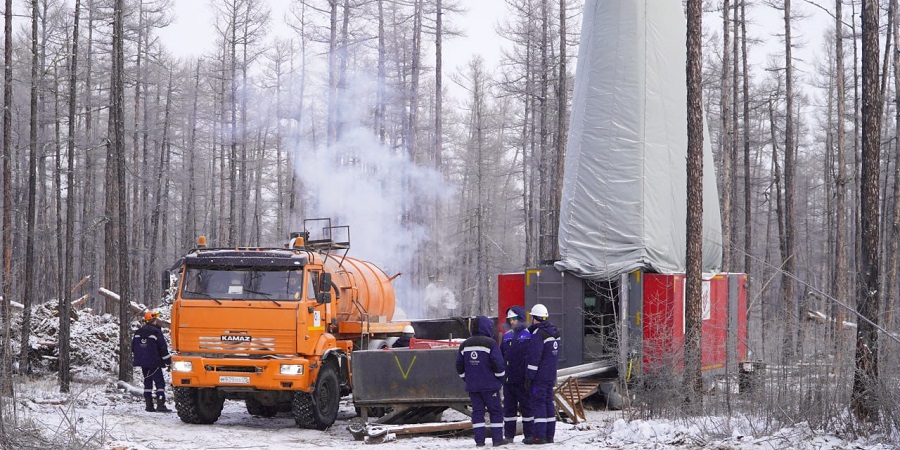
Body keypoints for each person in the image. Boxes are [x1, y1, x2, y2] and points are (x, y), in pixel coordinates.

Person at [456, 316, 507, 447]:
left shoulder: (465, 344)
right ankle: (497, 440)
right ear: (486, 327)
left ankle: (479, 441)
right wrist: (501, 379)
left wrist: (466, 378)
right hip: (490, 386)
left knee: (477, 413)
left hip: (473, 387)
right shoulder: (490, 343)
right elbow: (498, 364)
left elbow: (459, 366)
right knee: (495, 412)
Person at [523, 304, 560, 445]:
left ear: (535, 318)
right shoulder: (555, 332)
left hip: (539, 378)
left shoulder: (538, 334)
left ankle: (539, 436)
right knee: (548, 403)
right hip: (550, 376)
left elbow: (534, 358)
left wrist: (529, 377)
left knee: (538, 405)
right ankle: (549, 435)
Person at [500, 306, 533, 443]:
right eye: (510, 320)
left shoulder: (529, 335)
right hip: (508, 381)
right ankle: (508, 436)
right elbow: (501, 356)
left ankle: (529, 435)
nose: (512, 322)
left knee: (527, 409)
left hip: (523, 380)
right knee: (509, 410)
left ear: (520, 319)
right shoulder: (506, 336)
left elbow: (532, 357)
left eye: (514, 319)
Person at [132, 311, 173, 413]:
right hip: (154, 362)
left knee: (147, 382)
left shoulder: (138, 332)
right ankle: (160, 404)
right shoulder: (156, 332)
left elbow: (133, 347)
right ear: (153, 320)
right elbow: (162, 348)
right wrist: (168, 361)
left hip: (142, 362)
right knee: (160, 383)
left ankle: (149, 405)